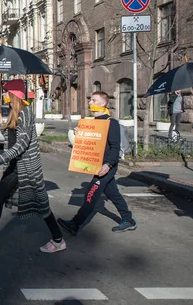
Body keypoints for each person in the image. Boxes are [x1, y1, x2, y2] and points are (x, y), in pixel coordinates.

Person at [0, 79, 66, 253]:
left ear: (14, 95)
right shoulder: (14, 112)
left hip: (25, 167)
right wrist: (0, 126)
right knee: (1, 201)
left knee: (41, 204)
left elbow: (21, 145)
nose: (3, 95)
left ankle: (58, 240)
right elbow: (12, 139)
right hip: (15, 165)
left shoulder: (25, 112)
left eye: (6, 92)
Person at [57, 91, 137, 235]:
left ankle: (75, 223)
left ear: (103, 104)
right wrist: (80, 135)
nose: (90, 103)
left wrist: (108, 165)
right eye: (90, 100)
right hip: (96, 165)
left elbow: (115, 147)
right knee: (113, 194)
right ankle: (128, 220)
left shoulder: (110, 123)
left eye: (93, 100)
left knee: (91, 193)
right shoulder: (92, 123)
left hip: (106, 166)